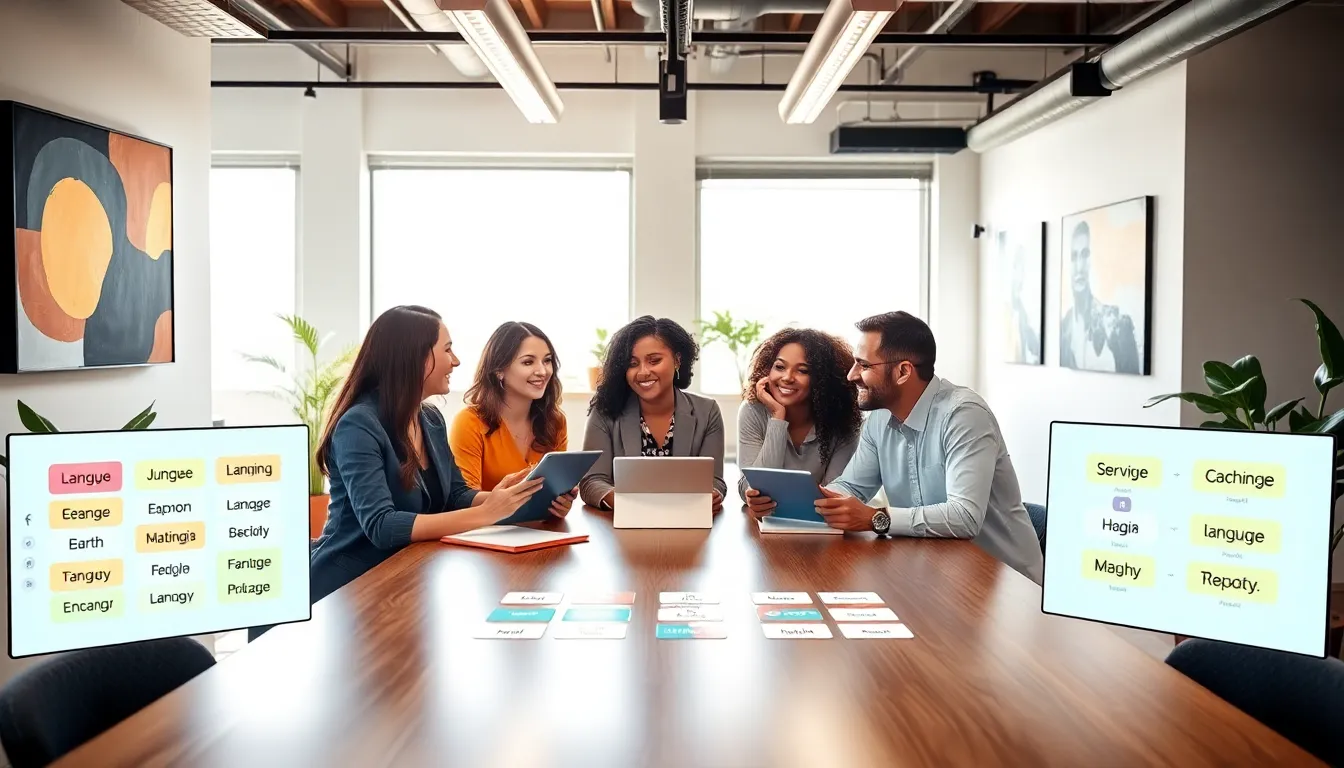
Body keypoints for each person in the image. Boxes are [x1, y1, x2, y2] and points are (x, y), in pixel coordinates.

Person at [744, 311, 1044, 584]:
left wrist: (875, 518)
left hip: (1006, 584)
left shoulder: (964, 415)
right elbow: (851, 486)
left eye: (863, 365)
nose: (851, 376)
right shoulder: (879, 419)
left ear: (903, 371)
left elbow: (964, 517)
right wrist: (786, 504)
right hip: (938, 574)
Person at [305, 306, 571, 610]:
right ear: (415, 358)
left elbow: (456, 495)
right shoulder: (359, 425)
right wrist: (486, 514)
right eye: (447, 350)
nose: (456, 361)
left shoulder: (429, 419)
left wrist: (502, 497)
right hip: (348, 588)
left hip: (407, 576)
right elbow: (381, 525)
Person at [580, 315, 727, 511]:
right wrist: (631, 503)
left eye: (654, 360)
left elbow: (715, 481)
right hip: (623, 524)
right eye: (632, 364)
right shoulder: (605, 410)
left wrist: (712, 494)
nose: (643, 372)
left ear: (677, 360)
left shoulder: (707, 412)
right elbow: (592, 482)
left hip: (687, 522)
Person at [736, 328, 862, 501]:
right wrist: (777, 417)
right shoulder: (752, 410)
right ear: (767, 370)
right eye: (779, 367)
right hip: (764, 523)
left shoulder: (843, 419)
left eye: (803, 370)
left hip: (821, 523)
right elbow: (754, 487)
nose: (787, 377)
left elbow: (833, 496)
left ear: (824, 379)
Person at [449, 321, 568, 491]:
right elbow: (464, 499)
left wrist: (561, 501)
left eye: (547, 361)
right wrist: (503, 500)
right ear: (499, 370)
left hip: (540, 518)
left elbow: (556, 488)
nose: (543, 371)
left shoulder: (555, 422)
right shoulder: (469, 422)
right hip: (490, 518)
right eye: (528, 362)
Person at [1059, 220, 1140, 374]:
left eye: (1085, 255)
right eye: (1073, 257)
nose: (1079, 267)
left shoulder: (1115, 326)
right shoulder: (1064, 327)